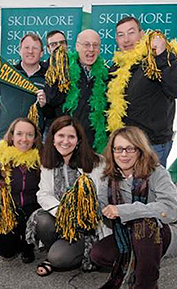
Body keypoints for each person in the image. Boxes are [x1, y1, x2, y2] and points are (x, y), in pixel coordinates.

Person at [90, 126, 177, 289]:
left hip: (170, 230)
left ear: (140, 150)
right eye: (118, 149)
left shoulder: (157, 172)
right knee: (99, 254)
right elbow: (105, 214)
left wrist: (123, 210)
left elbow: (171, 210)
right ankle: (140, 264)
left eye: (130, 149)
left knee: (144, 226)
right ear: (112, 151)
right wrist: (87, 207)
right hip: (129, 233)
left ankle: (146, 284)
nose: (123, 154)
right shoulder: (107, 178)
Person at [25, 115, 111, 276]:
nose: (65, 141)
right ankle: (59, 247)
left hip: (86, 227)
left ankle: (68, 252)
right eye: (61, 136)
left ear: (78, 140)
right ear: (53, 138)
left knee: (58, 258)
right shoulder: (47, 162)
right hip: (60, 219)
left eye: (71, 136)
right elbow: (44, 194)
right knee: (41, 220)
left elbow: (101, 199)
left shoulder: (97, 163)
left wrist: (79, 217)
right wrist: (64, 213)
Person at [108, 16, 177, 167]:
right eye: (121, 35)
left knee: (152, 190)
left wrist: (163, 55)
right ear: (116, 39)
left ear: (141, 34)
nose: (126, 39)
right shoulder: (115, 68)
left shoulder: (157, 59)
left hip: (151, 146)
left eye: (131, 32)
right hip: (124, 147)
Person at [0, 117, 43, 270]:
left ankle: (28, 244)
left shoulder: (42, 157)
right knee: (6, 251)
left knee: (39, 224)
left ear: (35, 138)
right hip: (7, 211)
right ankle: (19, 242)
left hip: (33, 209)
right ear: (12, 135)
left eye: (29, 134)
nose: (24, 139)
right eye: (19, 134)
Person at [43, 29, 109, 153]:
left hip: (92, 145)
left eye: (95, 45)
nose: (91, 49)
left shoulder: (105, 75)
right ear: (77, 46)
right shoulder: (62, 69)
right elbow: (51, 100)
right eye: (86, 45)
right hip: (64, 143)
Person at [0, 33, 47, 141]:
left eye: (35, 48)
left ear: (41, 53)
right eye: (26, 47)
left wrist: (46, 104)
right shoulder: (6, 73)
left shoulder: (48, 78)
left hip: (33, 140)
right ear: (19, 51)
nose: (30, 51)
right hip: (3, 137)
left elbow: (54, 110)